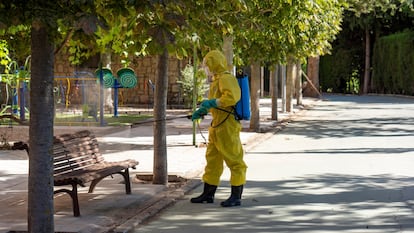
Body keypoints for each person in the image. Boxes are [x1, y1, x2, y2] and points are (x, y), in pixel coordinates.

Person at [191, 50, 247, 207]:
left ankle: (236, 196)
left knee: (235, 161)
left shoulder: (226, 79)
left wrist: (211, 103)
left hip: (227, 126)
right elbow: (215, 102)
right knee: (212, 161)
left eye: (208, 64)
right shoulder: (216, 81)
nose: (207, 68)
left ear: (216, 63)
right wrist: (201, 111)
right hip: (216, 126)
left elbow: (231, 98)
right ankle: (208, 194)